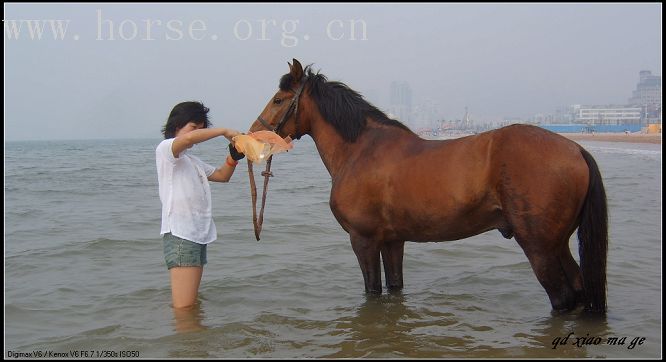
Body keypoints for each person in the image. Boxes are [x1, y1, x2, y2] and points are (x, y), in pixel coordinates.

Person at [155, 101, 245, 309]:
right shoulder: (167, 151)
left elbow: (222, 176)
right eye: (194, 127)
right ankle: (188, 338)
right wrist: (223, 130)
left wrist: (233, 157)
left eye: (201, 128)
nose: (198, 132)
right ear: (177, 126)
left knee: (189, 304)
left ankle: (194, 340)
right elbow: (187, 139)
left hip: (196, 235)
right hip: (180, 235)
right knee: (184, 308)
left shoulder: (191, 161)